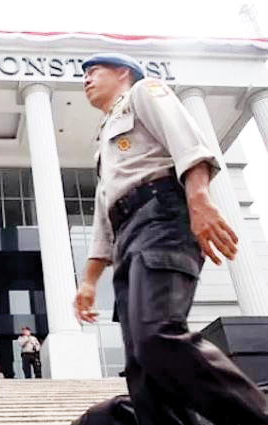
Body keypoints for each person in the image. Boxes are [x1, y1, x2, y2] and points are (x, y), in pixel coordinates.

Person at [74, 52, 268, 425]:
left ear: (123, 72)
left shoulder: (145, 92)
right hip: (126, 235)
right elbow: (103, 216)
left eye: (94, 71)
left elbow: (189, 145)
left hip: (160, 215)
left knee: (157, 336)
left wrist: (199, 201)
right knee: (143, 373)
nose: (86, 79)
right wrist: (89, 281)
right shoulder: (103, 142)